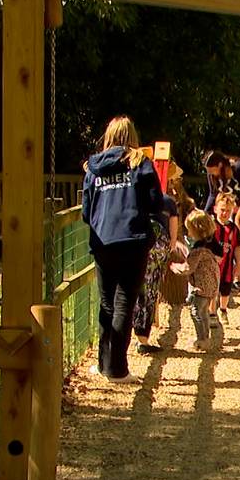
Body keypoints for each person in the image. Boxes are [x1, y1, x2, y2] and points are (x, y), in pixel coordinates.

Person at [81, 115, 163, 383]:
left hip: (103, 240)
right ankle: (117, 369)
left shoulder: (93, 168)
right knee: (124, 303)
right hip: (132, 238)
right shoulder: (140, 163)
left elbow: (85, 211)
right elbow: (154, 202)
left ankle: (104, 364)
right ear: (132, 137)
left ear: (108, 136)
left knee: (106, 304)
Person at [131, 164, 192, 353]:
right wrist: (171, 246)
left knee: (135, 288)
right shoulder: (168, 201)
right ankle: (143, 337)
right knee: (150, 290)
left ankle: (132, 333)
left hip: (138, 246)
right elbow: (173, 229)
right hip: (158, 249)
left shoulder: (136, 197)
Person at [171, 210, 223, 351]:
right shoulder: (213, 243)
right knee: (204, 311)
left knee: (195, 312)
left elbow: (189, 267)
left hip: (201, 286)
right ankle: (206, 337)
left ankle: (202, 339)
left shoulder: (198, 249)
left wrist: (175, 267)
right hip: (212, 284)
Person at [212, 192, 240, 323]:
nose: (225, 213)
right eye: (222, 210)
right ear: (215, 209)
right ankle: (211, 312)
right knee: (212, 289)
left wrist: (238, 264)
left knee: (225, 289)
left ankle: (223, 309)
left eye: (228, 211)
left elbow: (237, 247)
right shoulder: (211, 225)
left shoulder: (234, 229)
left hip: (227, 265)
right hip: (212, 265)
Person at [201, 149, 240, 217]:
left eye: (211, 170)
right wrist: (206, 213)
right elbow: (213, 194)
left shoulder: (239, 168)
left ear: (220, 165)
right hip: (227, 209)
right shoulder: (211, 175)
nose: (209, 173)